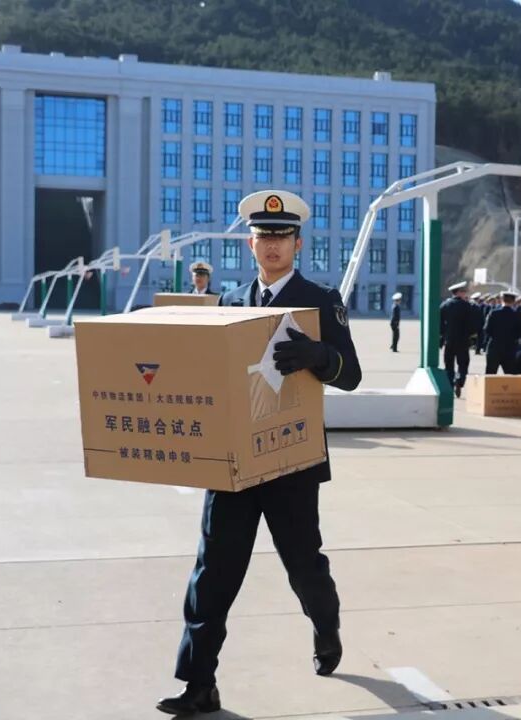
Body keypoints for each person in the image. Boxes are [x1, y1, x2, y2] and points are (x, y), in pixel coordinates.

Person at [159, 190, 361, 716]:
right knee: (213, 572)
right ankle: (198, 682)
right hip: (233, 460)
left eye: (282, 236)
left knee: (304, 566)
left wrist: (320, 355)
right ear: (250, 244)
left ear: (298, 243)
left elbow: (352, 375)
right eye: (263, 236)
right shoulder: (230, 302)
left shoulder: (321, 300)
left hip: (291, 460)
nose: (273, 245)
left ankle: (326, 627)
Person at [439, 281, 477, 397]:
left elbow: (440, 324)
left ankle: (450, 384)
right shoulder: (467, 306)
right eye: (463, 291)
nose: (465, 293)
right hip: (463, 341)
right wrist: (471, 336)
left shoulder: (445, 305)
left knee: (449, 364)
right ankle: (459, 380)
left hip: (449, 340)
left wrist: (443, 336)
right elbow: (472, 324)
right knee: (463, 363)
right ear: (459, 292)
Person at [483, 291, 521, 374]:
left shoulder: (494, 313)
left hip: (494, 346)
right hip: (510, 348)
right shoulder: (516, 315)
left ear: (502, 300)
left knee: (490, 374)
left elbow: (487, 330)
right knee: (511, 375)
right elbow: (519, 332)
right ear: (513, 301)